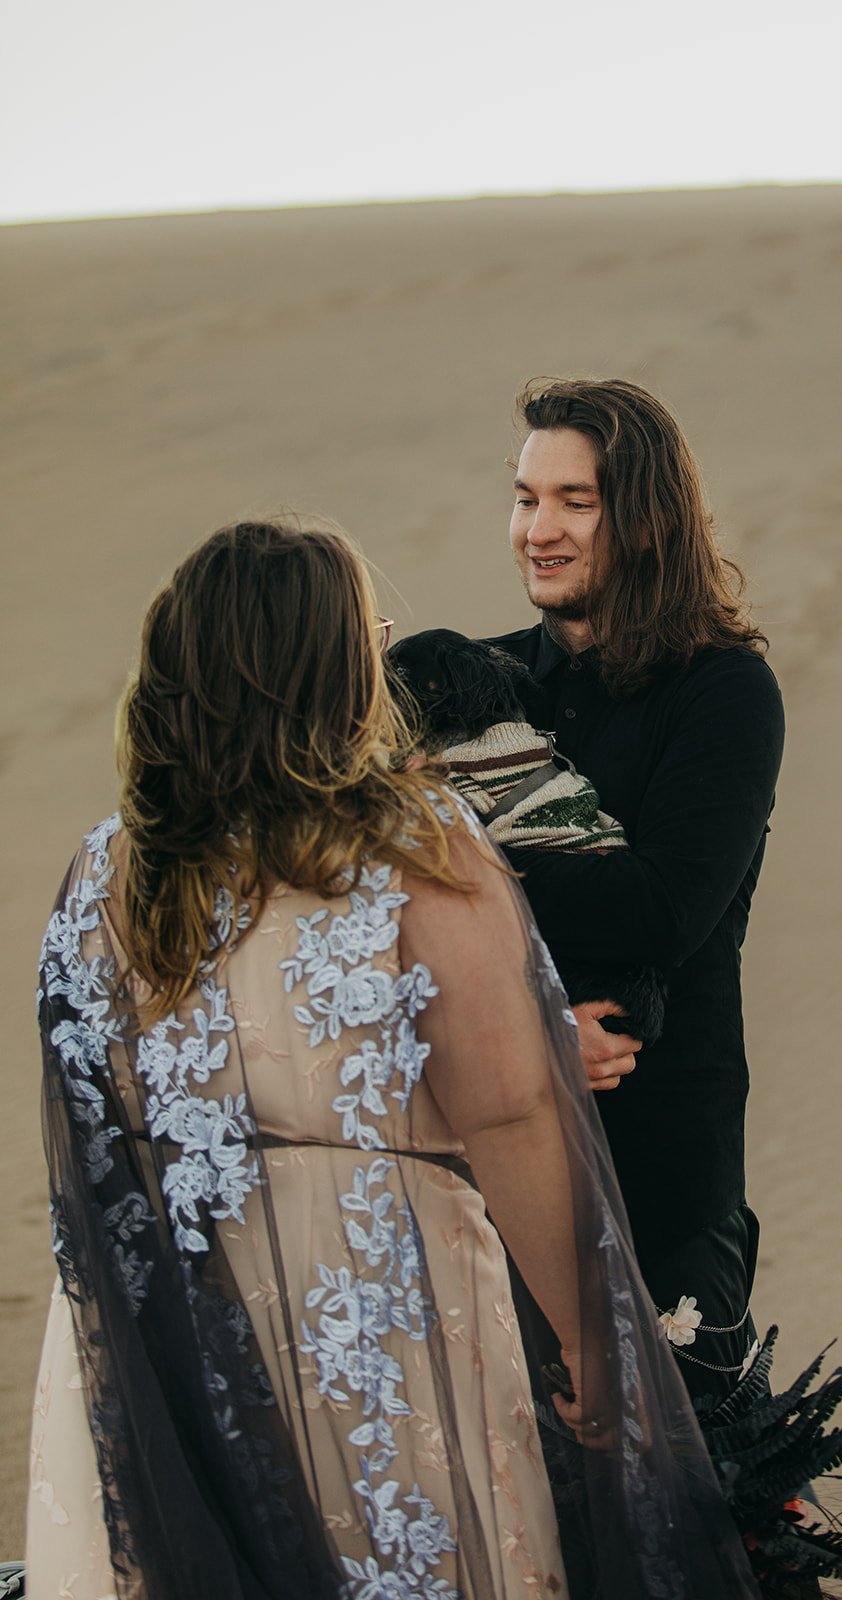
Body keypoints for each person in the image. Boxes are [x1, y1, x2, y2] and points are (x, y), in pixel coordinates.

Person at [28, 519, 759, 1600]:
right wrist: (587, 1341)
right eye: (371, 639)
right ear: (331, 672)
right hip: (372, 1310)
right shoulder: (417, 846)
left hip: (175, 1315)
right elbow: (507, 1112)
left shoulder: (109, 868)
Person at [486, 379, 786, 1407]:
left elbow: (663, 910)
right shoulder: (476, 685)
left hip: (663, 1163)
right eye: (526, 498)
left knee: (694, 1471)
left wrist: (470, 870)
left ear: (648, 517)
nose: (539, 530)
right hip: (494, 1150)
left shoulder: (722, 690)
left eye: (575, 501)